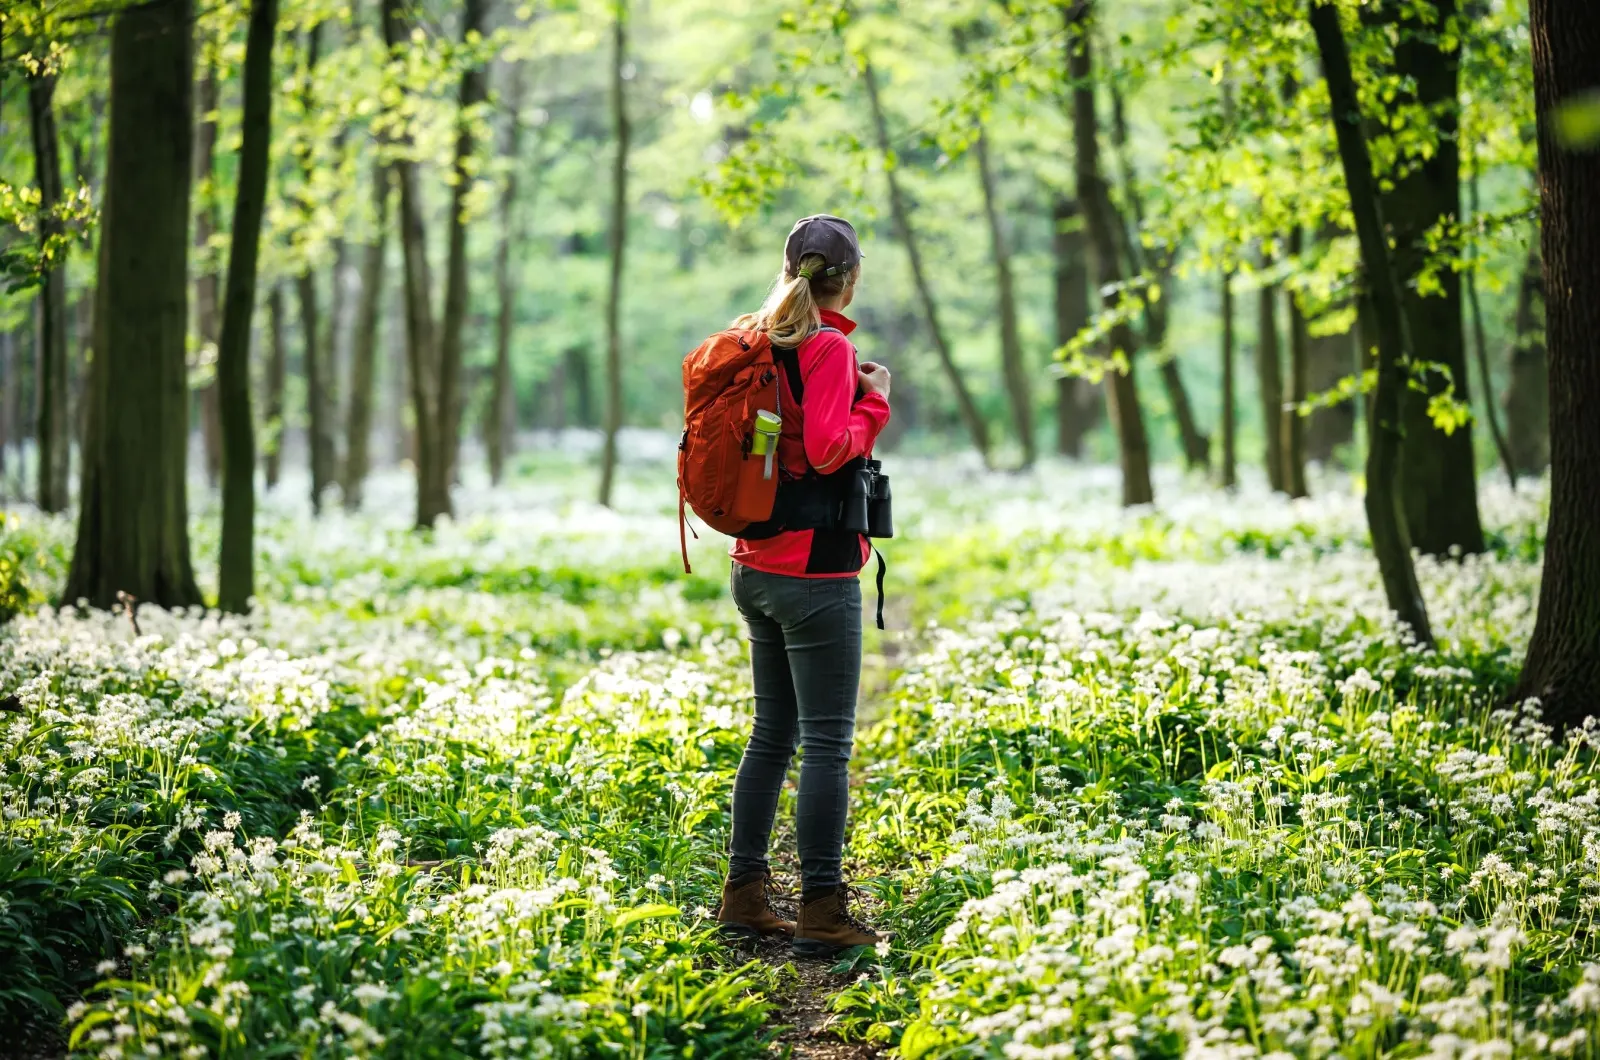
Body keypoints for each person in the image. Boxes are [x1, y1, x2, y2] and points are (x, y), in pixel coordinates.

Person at [713, 214, 891, 957]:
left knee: (771, 735)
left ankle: (745, 894)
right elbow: (824, 451)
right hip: (813, 573)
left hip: (754, 565)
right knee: (824, 744)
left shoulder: (758, 336)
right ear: (847, 279)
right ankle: (822, 909)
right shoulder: (825, 348)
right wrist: (873, 402)